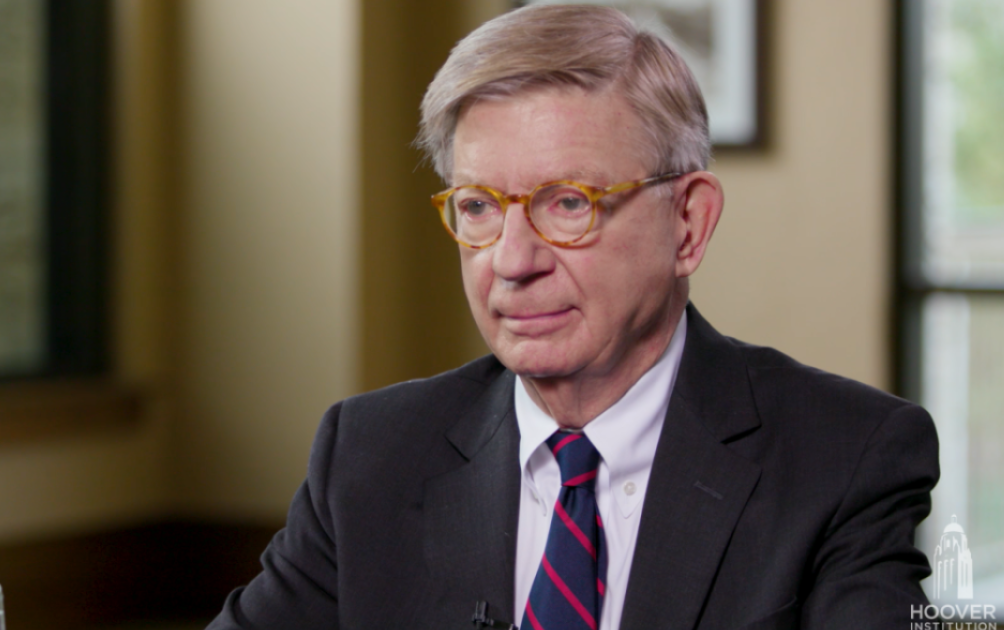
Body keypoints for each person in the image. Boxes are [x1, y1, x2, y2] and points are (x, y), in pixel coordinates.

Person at [208, 5, 938, 629]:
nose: (512, 260)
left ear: (688, 224)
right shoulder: (370, 457)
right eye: (479, 208)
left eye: (569, 204)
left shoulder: (845, 460)